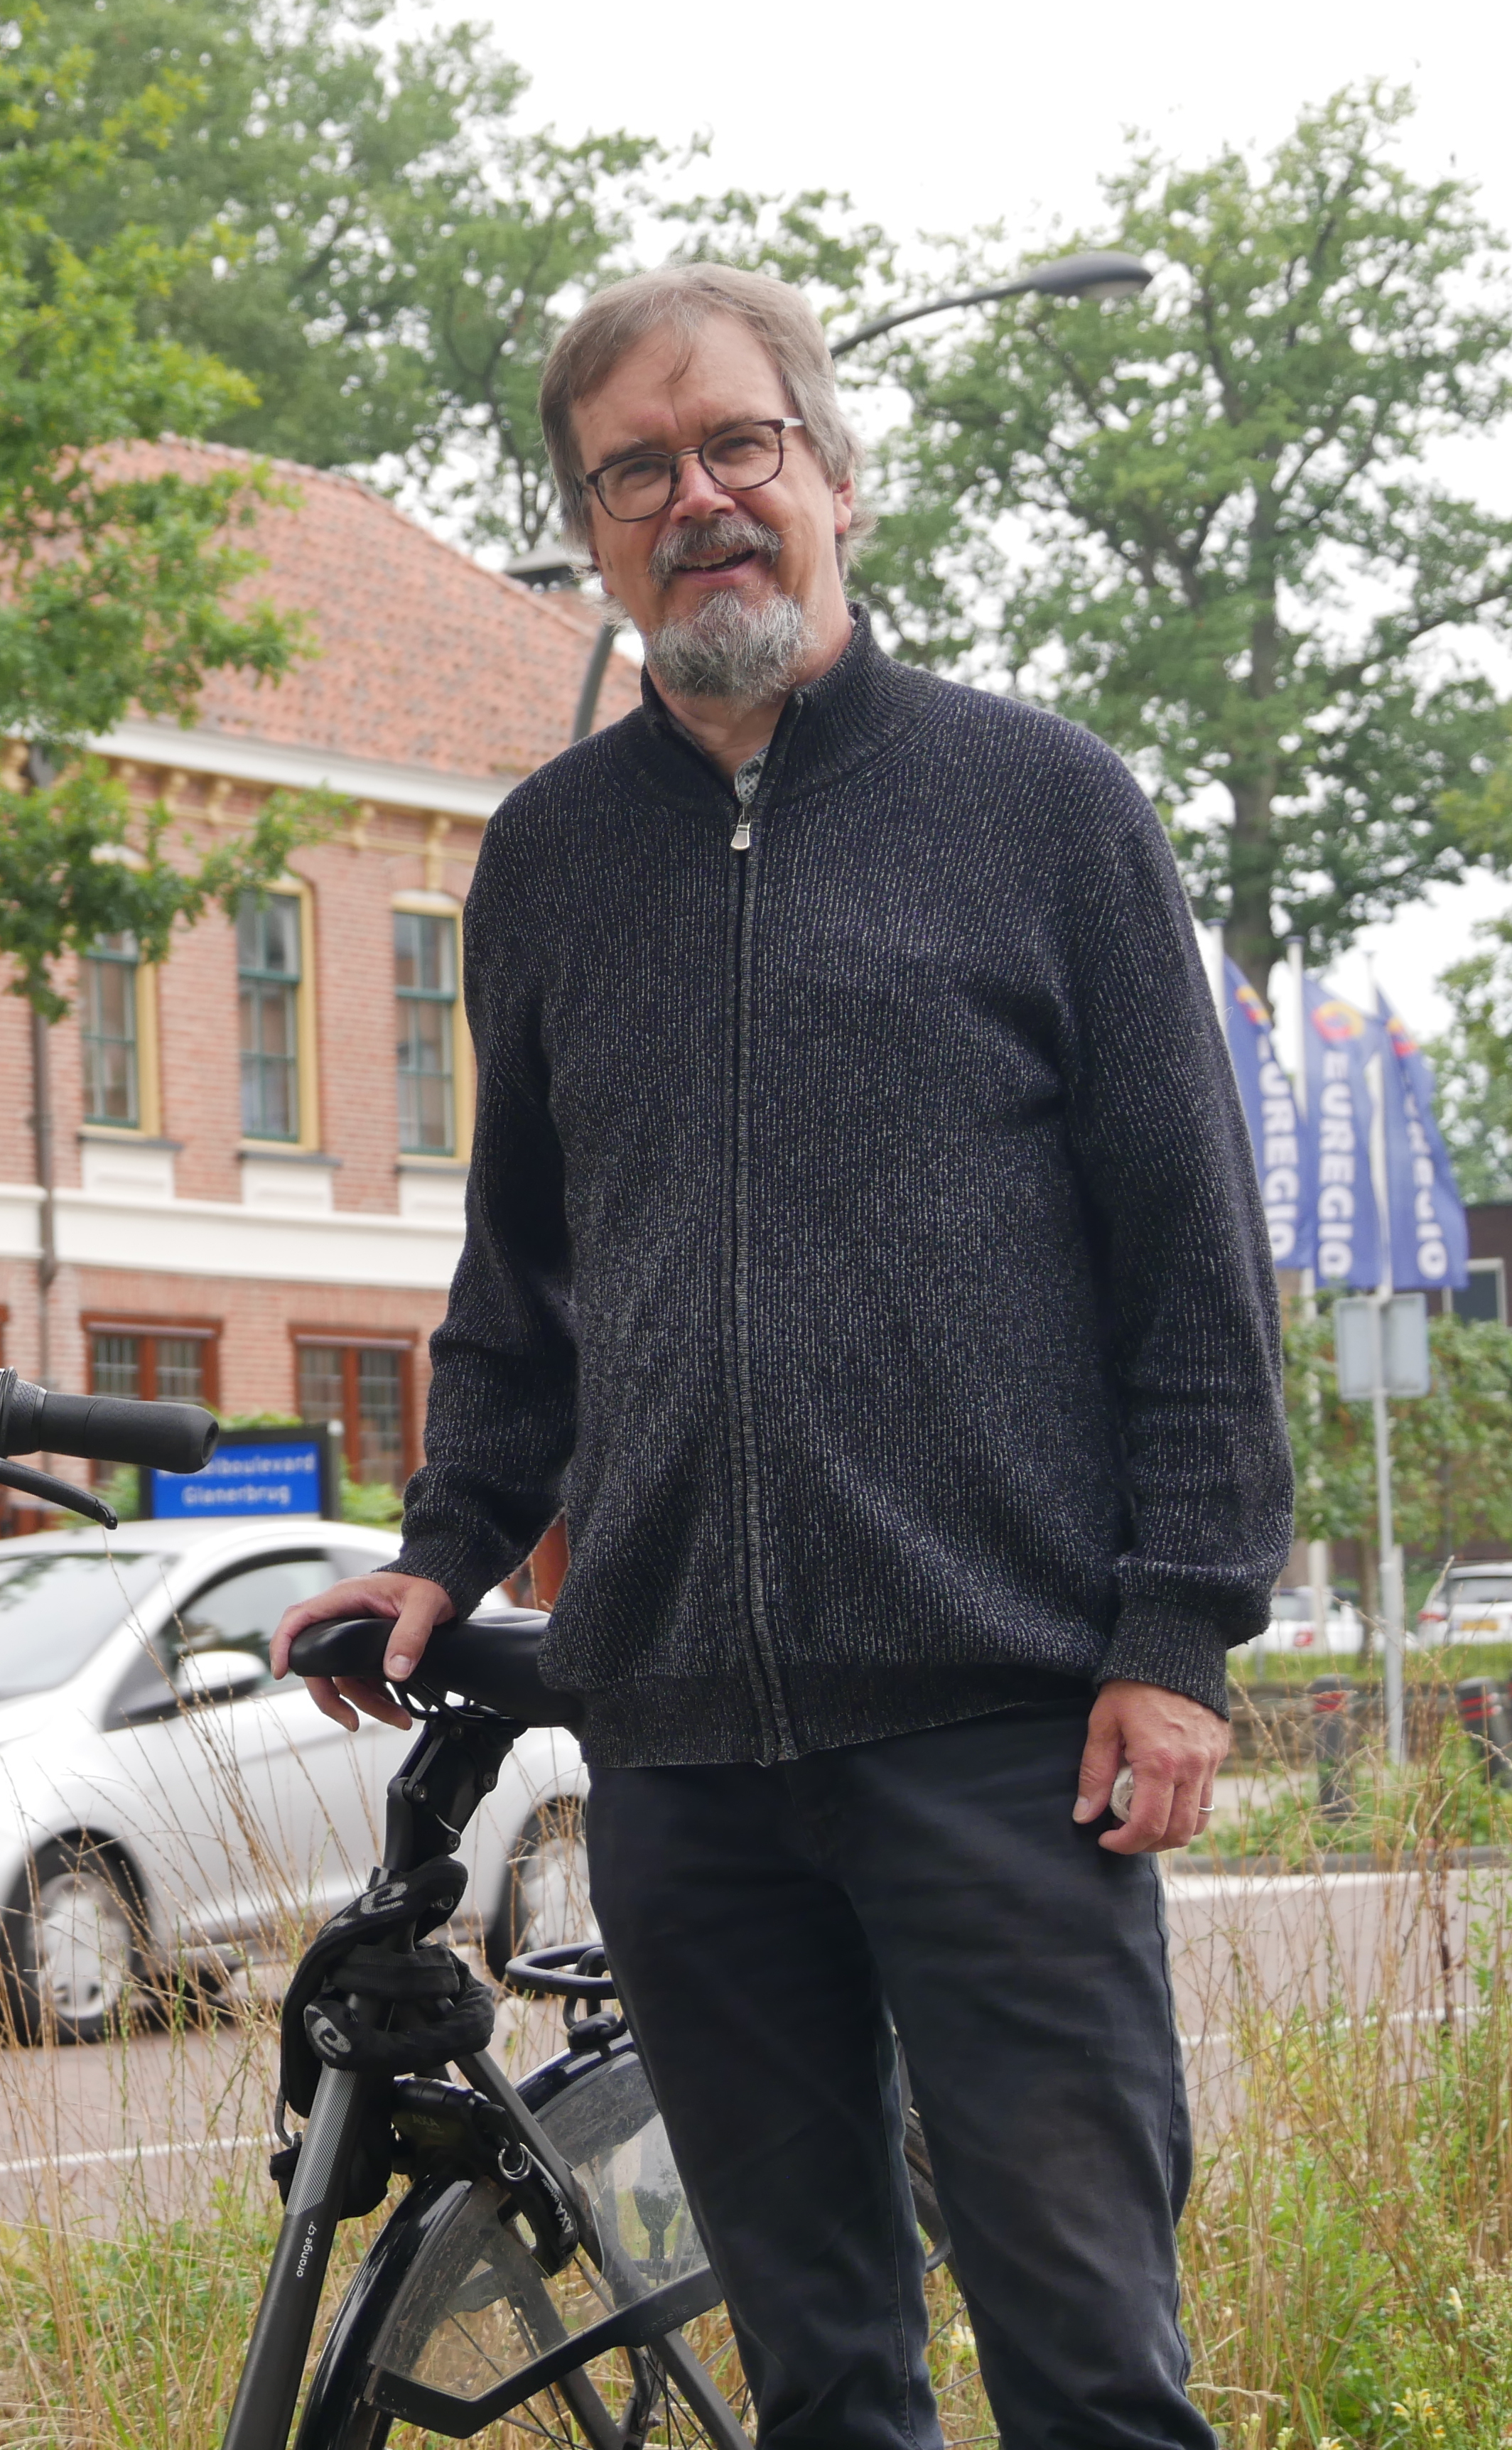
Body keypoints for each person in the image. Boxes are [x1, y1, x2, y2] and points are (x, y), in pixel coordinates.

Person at [273, 263, 1290, 2450]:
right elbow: (526, 1279)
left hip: (1007, 1738)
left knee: (1091, 2373)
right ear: (593, 531)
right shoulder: (546, 859)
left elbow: (1193, 1270)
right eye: (635, 471)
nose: (698, 499)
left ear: (836, 475)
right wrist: (447, 1544)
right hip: (686, 1774)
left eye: (741, 446)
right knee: (822, 2383)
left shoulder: (1045, 810)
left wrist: (1181, 1639)